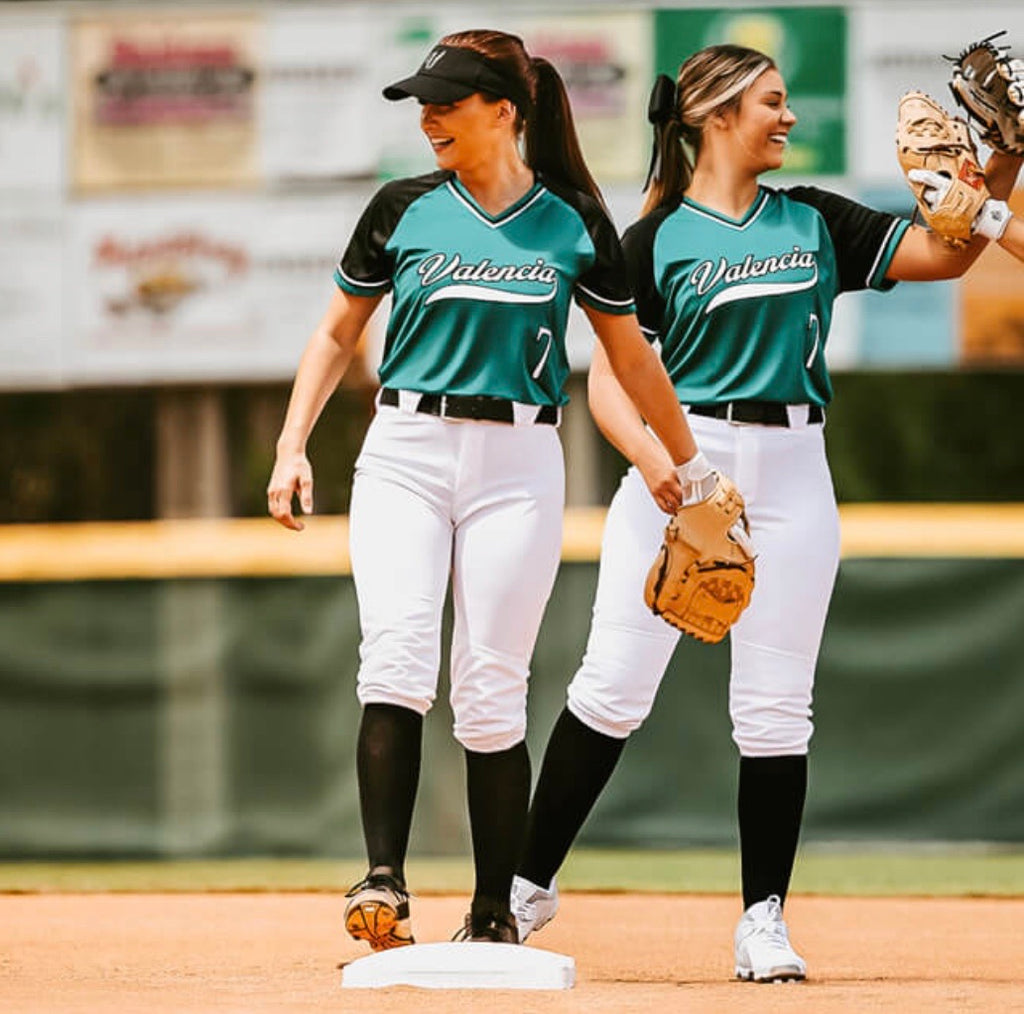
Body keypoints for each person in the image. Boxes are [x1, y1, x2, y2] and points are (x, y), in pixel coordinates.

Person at [510, 44, 1023, 981]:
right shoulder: (653, 238)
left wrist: (1005, 161)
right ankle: (525, 889)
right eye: (772, 103)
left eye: (788, 102)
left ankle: (762, 922)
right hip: (686, 465)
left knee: (778, 710)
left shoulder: (816, 220)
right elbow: (616, 382)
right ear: (711, 113)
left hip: (793, 470)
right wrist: (662, 469)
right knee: (612, 687)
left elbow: (949, 255)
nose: (789, 119)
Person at [267, 29, 716, 950]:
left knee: (491, 688)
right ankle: (384, 882)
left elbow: (631, 359)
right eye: (422, 102)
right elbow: (336, 334)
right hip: (405, 449)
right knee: (393, 661)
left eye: (447, 100)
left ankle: (491, 914)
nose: (428, 116)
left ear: (505, 110)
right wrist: (291, 445)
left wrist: (694, 468)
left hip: (518, 464)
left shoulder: (574, 222)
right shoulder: (401, 209)